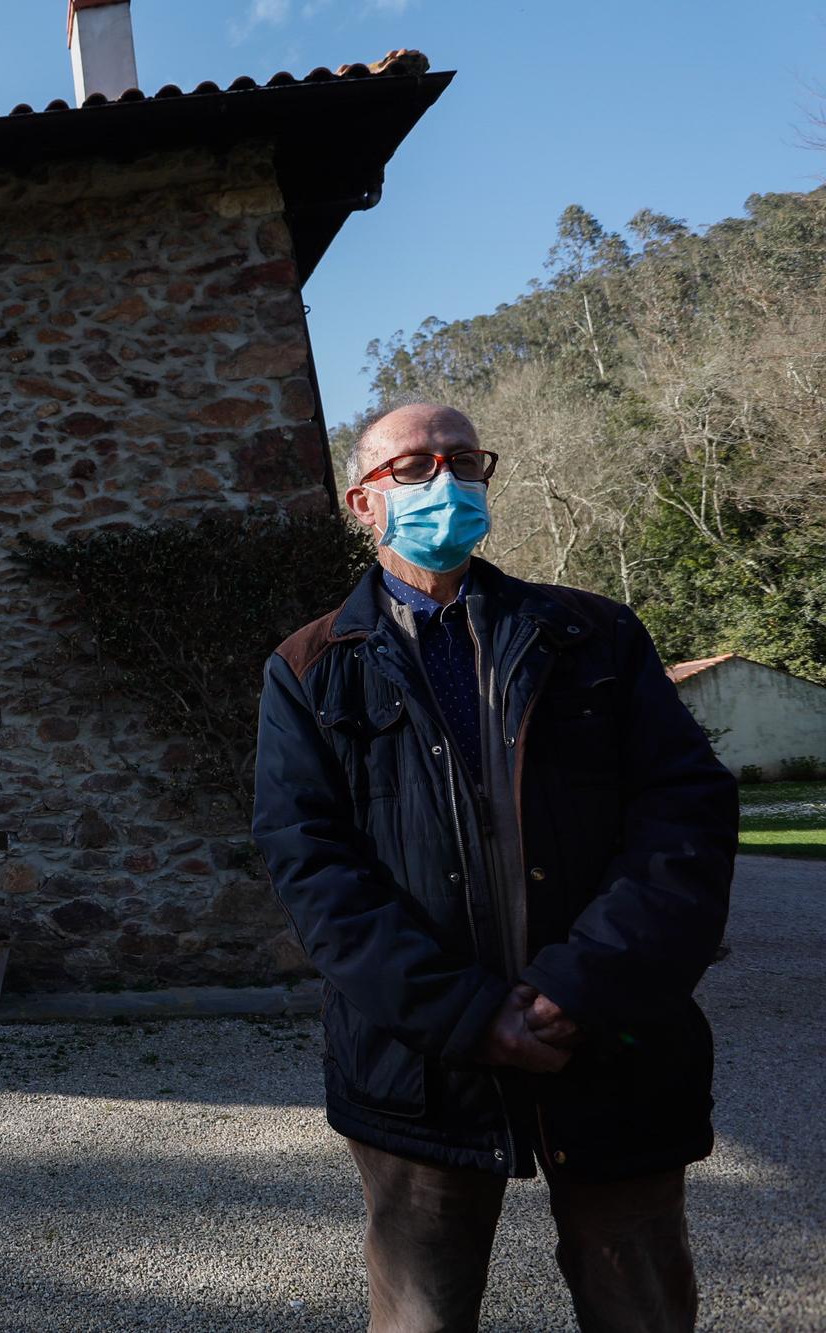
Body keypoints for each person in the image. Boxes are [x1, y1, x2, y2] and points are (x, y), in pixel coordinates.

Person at [251, 402, 737, 1333]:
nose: (446, 480)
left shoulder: (595, 637)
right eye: (415, 466)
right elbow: (313, 870)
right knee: (420, 1317)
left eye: (464, 460)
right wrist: (470, 1013)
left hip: (612, 1047)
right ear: (362, 501)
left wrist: (579, 986)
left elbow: (687, 818)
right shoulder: (309, 669)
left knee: (644, 1308)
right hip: (423, 1069)